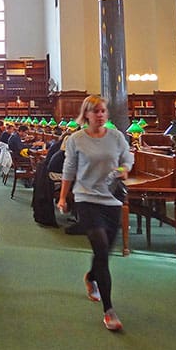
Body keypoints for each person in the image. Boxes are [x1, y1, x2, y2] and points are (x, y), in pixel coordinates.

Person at [57, 95, 133, 332]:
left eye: (103, 111)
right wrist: (62, 197)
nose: (100, 115)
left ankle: (91, 277)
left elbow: (127, 159)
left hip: (112, 200)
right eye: (96, 111)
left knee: (104, 254)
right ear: (86, 114)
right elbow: (68, 169)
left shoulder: (117, 137)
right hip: (86, 198)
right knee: (100, 247)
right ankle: (109, 311)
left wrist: (124, 169)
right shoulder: (76, 139)